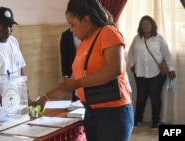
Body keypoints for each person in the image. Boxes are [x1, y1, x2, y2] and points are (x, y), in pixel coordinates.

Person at [33, 0, 134, 141]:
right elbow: (72, 81)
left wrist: (78, 83)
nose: (71, 30)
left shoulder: (108, 32)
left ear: (86, 20)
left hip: (113, 112)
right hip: (91, 111)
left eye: (73, 25)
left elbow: (114, 69)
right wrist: (44, 98)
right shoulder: (84, 44)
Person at [128, 15, 176, 130]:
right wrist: (131, 65)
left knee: (155, 97)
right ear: (140, 26)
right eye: (143, 23)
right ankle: (138, 119)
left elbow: (167, 54)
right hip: (140, 73)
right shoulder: (136, 39)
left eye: (148, 23)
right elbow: (130, 54)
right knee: (141, 97)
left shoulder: (159, 38)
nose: (145, 26)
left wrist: (171, 69)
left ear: (152, 25)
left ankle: (155, 121)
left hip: (157, 74)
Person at [60, 28, 81, 102]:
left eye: (73, 25)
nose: (71, 29)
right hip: (72, 69)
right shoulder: (65, 35)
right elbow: (64, 56)